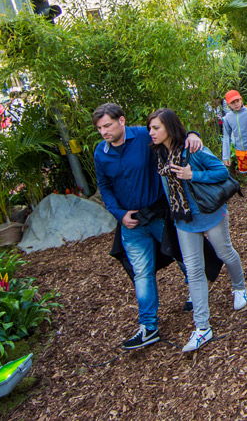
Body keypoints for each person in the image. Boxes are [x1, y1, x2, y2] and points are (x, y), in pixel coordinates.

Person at [92, 103, 202, 349]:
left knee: (180, 254)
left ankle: (196, 291)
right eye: (100, 128)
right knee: (141, 272)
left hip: (159, 212)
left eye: (107, 125)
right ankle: (148, 327)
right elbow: (105, 187)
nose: (104, 132)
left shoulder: (144, 135)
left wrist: (193, 135)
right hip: (132, 223)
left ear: (121, 121)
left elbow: (173, 135)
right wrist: (119, 215)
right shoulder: (101, 153)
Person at [148, 108, 247, 352]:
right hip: (183, 219)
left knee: (225, 252)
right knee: (193, 271)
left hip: (209, 213)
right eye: (150, 128)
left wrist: (194, 174)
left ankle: (239, 287)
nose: (151, 132)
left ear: (169, 128)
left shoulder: (193, 148)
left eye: (156, 128)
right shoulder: (159, 153)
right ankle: (202, 327)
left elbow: (222, 171)